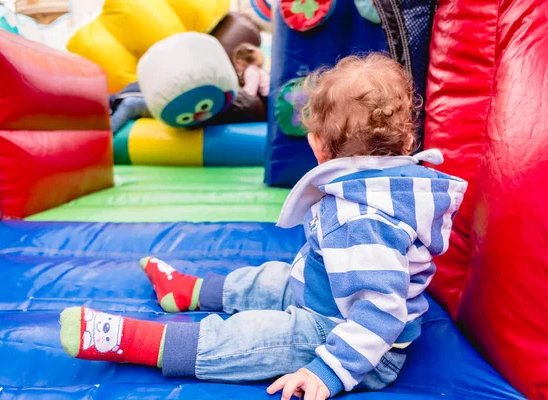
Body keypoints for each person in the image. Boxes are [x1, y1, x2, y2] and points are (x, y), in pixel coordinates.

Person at [58, 54, 467, 400]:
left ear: (317, 145)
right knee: (274, 278)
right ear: (405, 138)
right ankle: (188, 292)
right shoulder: (383, 186)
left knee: (265, 334)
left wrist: (326, 372)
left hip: (356, 345)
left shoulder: (362, 221)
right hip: (330, 297)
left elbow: (379, 312)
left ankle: (136, 342)